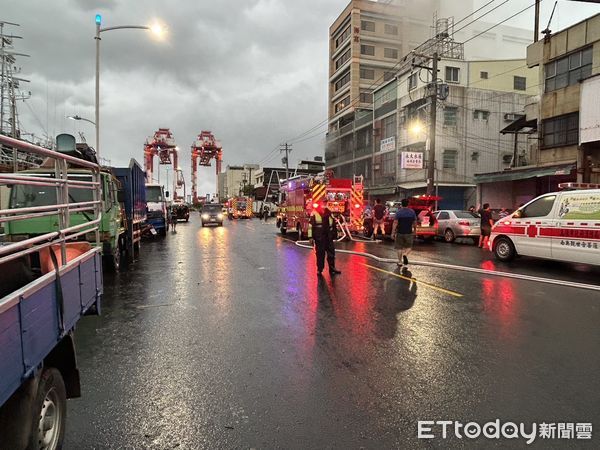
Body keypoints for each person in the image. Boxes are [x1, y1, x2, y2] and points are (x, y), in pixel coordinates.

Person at [308, 204, 341, 276]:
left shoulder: (329, 213)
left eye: (325, 203)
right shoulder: (315, 213)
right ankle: (320, 269)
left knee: (331, 253)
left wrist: (334, 235)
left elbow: (333, 225)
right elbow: (310, 226)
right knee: (320, 254)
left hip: (328, 237)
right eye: (323, 203)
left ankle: (332, 269)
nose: (324, 205)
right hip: (319, 237)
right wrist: (310, 237)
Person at [391, 198, 417, 269]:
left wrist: (392, 233)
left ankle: (399, 262)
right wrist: (415, 231)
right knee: (409, 247)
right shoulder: (412, 212)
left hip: (400, 232)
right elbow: (414, 223)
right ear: (408, 204)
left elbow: (395, 223)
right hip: (409, 232)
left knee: (399, 247)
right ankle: (405, 254)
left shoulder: (399, 212)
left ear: (401, 204)